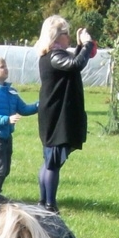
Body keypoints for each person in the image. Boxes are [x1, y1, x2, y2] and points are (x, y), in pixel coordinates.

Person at [35, 15, 95, 212]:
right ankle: (50, 204)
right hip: (57, 115)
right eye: (65, 34)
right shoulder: (54, 55)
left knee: (49, 161)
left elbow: (72, 63)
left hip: (53, 112)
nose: (68, 37)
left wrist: (80, 47)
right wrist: (86, 45)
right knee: (53, 162)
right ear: (55, 36)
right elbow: (75, 65)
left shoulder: (51, 55)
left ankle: (44, 202)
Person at [0, 54, 37, 195]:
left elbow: (23, 109)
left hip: (7, 135)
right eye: (2, 67)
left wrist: (41, 104)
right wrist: (7, 119)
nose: (6, 69)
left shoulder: (11, 91)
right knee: (0, 169)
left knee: (5, 170)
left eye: (6, 66)